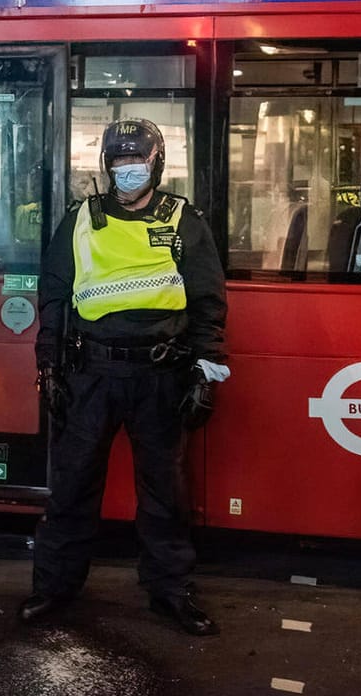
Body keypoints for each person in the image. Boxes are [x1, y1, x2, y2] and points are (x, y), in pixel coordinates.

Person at [20, 119, 228, 636]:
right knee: (71, 486)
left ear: (156, 161)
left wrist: (206, 370)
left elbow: (207, 302)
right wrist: (49, 368)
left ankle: (171, 592)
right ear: (105, 164)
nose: (126, 169)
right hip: (92, 371)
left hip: (163, 374)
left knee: (165, 492)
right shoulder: (81, 219)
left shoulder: (184, 219)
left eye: (135, 159)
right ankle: (55, 588)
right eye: (117, 160)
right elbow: (54, 297)